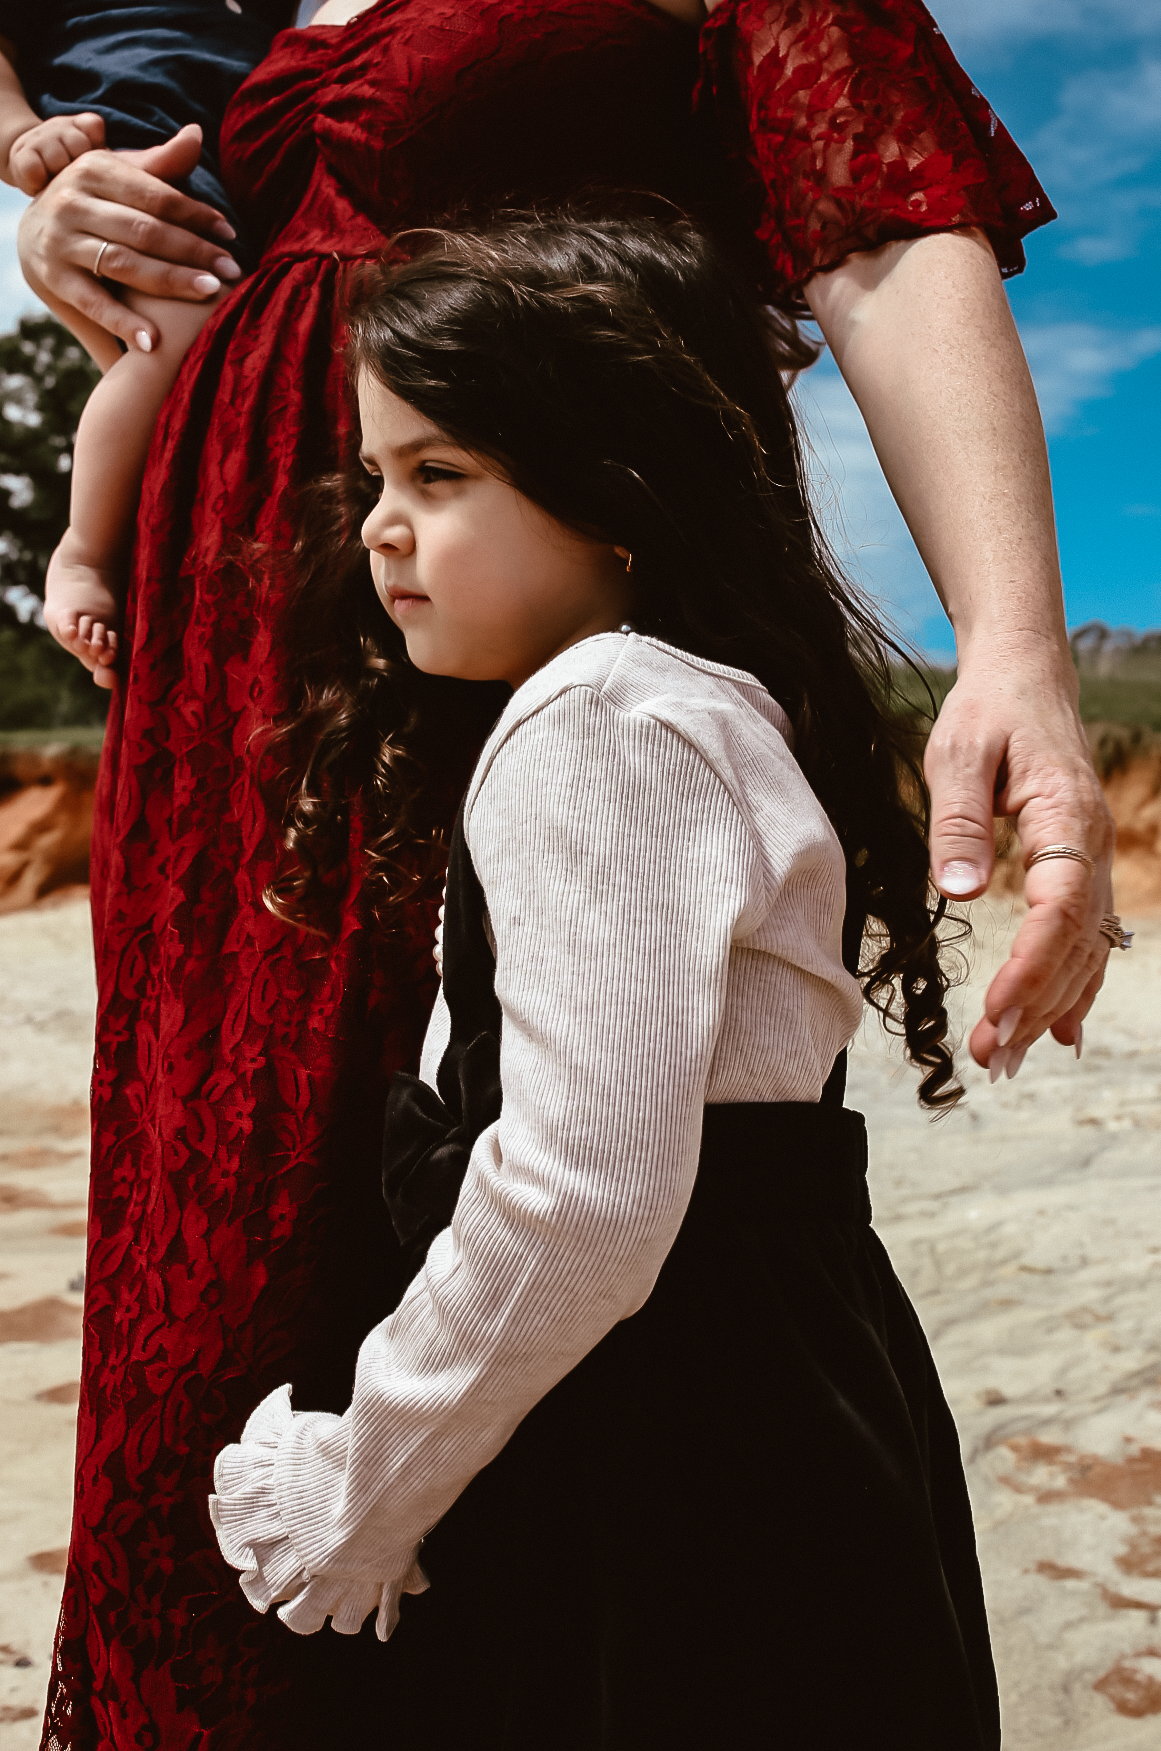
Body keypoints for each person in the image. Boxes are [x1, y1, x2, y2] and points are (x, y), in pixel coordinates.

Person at [6, 0, 1117, 1741]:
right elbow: (240, 259)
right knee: (216, 1251)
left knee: (461, 1204)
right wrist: (75, 233)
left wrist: (1010, 640)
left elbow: (875, 236)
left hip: (494, 667)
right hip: (241, 696)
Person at [210, 214, 1004, 1749]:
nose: (380, 526)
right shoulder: (686, 709)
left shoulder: (600, 722)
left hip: (661, 1439)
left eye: (440, 475)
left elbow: (582, 1191)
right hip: (765, 1391)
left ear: (615, 495)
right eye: (375, 477)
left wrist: (365, 1488)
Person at [0, 0, 274, 680]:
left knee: (223, 370)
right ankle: (82, 550)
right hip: (131, 169)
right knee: (175, 335)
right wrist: (20, 139)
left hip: (243, 189)